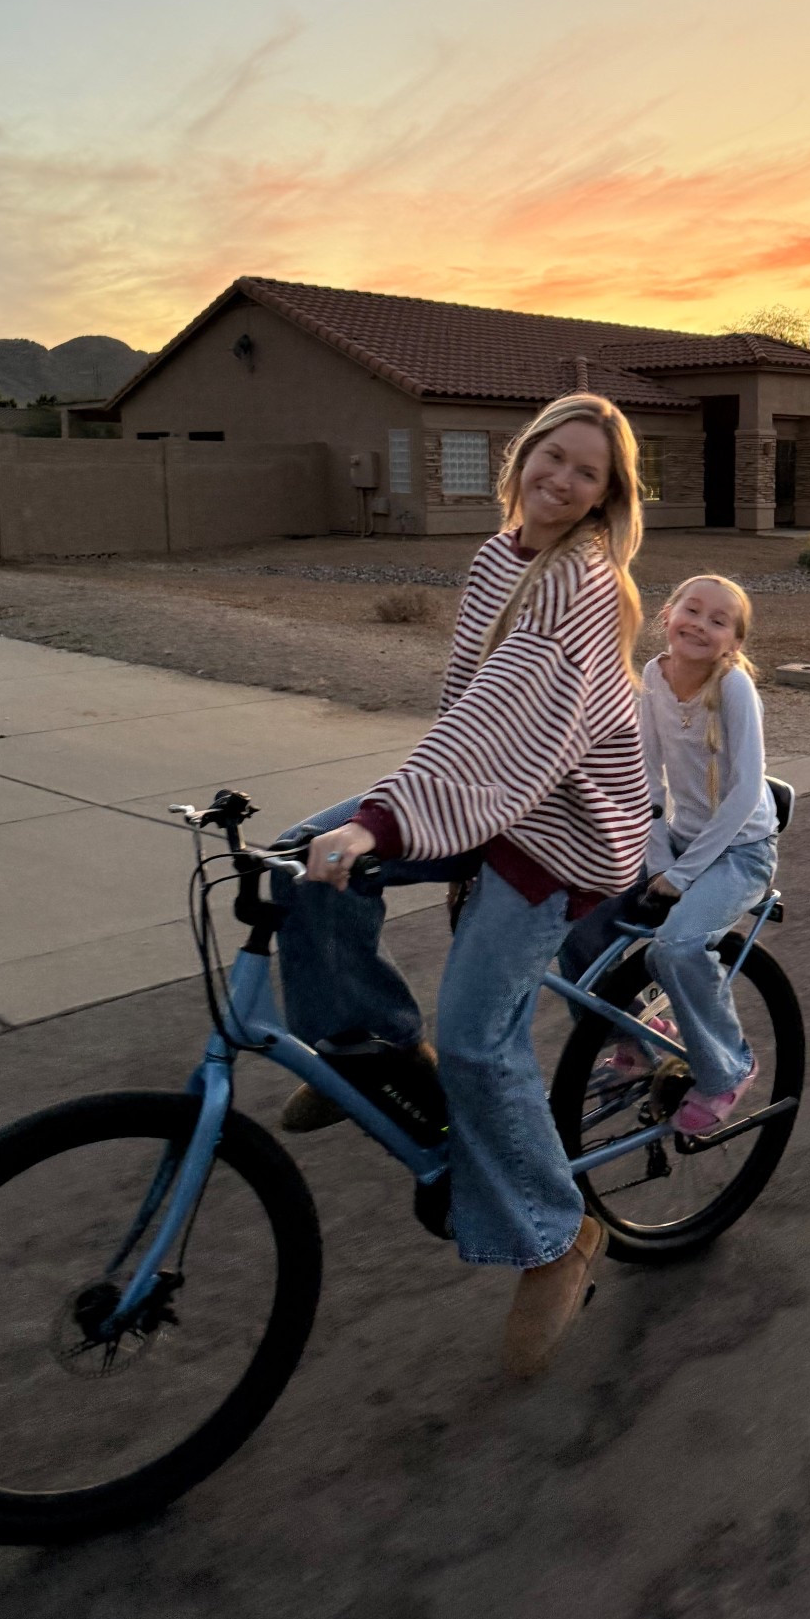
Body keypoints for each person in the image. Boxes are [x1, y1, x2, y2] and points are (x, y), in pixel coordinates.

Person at [272, 392, 649, 1379]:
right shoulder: (498, 558)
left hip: (565, 830)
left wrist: (391, 817)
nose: (562, 480)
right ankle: (371, 1048)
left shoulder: (587, 585)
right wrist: (395, 814)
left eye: (587, 472)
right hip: (491, 794)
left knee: (482, 1037)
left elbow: (515, 729)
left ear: (609, 496)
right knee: (303, 857)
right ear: (521, 456)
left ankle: (558, 1236)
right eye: (552, 457)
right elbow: (472, 714)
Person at [622, 574, 778, 1131]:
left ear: (734, 642)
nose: (701, 625)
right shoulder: (653, 676)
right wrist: (659, 859)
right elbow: (646, 778)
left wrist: (681, 876)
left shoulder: (734, 688)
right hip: (681, 845)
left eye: (720, 621)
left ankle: (730, 1067)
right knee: (583, 913)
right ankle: (638, 1036)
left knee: (677, 946)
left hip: (742, 851)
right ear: (667, 615)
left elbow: (744, 793)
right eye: (692, 610)